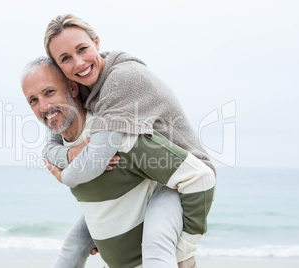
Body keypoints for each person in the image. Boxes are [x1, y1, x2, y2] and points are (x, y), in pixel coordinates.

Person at [42, 14, 217, 268]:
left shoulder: (121, 80)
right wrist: (70, 156)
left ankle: (184, 259)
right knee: (73, 247)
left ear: (97, 43)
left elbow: (94, 162)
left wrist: (63, 176)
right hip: (144, 175)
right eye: (65, 58)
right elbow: (50, 147)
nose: (79, 63)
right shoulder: (81, 85)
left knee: (158, 248)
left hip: (180, 178)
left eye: (82, 49)